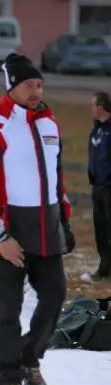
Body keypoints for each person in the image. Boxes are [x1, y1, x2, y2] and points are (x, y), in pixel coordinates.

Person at [0, 52, 74, 385]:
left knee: (55, 295)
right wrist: (1, 237)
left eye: (40, 85)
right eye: (29, 85)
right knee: (9, 305)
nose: (36, 91)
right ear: (11, 86)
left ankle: (30, 358)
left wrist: (65, 222)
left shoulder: (48, 123)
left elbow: (57, 179)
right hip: (7, 229)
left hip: (45, 224)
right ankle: (8, 378)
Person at [87, 90, 111, 282]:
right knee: (101, 228)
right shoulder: (96, 130)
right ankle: (104, 267)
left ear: (102, 107)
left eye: (94, 105)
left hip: (109, 186)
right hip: (98, 187)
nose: (91, 109)